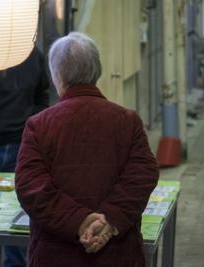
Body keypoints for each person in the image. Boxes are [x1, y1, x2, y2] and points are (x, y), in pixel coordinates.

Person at [15, 33, 159, 266]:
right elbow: (143, 175)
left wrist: (79, 222)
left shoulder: (39, 125)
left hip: (55, 254)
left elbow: (31, 187)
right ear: (97, 70)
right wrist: (109, 220)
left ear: (56, 75)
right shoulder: (127, 120)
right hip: (118, 253)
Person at [0, 43, 51, 267]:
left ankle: (15, 264)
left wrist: (33, 127)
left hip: (21, 145)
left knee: (20, 210)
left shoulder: (33, 55)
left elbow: (42, 94)